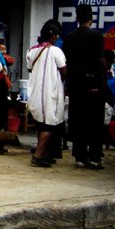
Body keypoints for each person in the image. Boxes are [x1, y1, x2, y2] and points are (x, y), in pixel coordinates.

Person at [62, 4, 107, 170]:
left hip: (75, 84)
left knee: (78, 119)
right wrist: (105, 74)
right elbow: (100, 60)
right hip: (93, 84)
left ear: (76, 18)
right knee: (95, 121)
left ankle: (79, 157)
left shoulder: (69, 37)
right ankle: (95, 157)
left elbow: (66, 61)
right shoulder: (97, 36)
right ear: (91, 18)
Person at [26, 20, 67, 168]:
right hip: (50, 93)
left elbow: (30, 69)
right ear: (54, 36)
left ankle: (44, 154)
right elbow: (64, 71)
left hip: (35, 92)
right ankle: (37, 156)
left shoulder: (31, 50)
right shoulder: (56, 51)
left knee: (40, 125)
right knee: (49, 126)